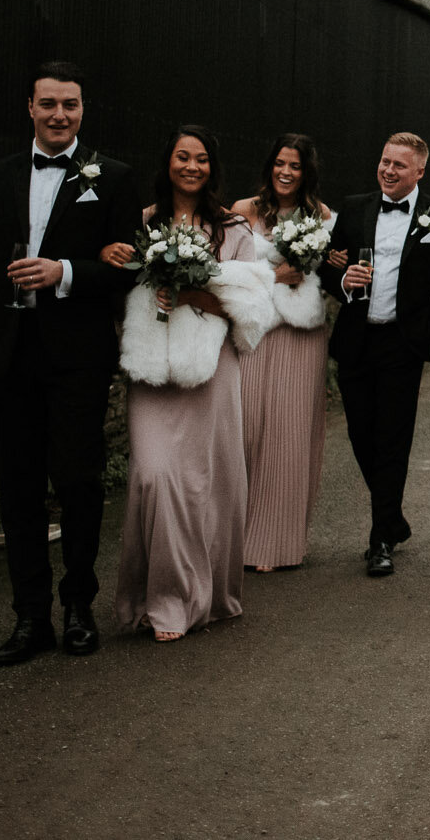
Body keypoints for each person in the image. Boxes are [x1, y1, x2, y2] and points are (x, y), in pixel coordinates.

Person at [0, 62, 141, 665]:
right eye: (49, 104)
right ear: (29, 106)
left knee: (77, 482)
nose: (60, 115)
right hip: (7, 356)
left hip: (78, 357)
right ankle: (30, 618)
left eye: (71, 105)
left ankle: (79, 606)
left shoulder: (110, 177)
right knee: (18, 490)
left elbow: (130, 266)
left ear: (83, 109)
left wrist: (66, 273)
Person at [111, 126, 276, 641]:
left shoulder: (233, 230)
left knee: (206, 481)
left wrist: (194, 295)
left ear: (212, 168)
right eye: (183, 157)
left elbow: (254, 312)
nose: (191, 166)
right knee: (155, 476)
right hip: (152, 369)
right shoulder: (141, 224)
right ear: (167, 164)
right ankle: (154, 594)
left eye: (202, 159)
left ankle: (186, 600)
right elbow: (117, 290)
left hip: (211, 369)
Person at [320, 133, 430, 577]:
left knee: (393, 440)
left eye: (399, 166)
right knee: (362, 436)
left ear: (419, 171)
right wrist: (345, 280)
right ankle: (393, 517)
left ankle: (380, 536)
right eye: (385, 162)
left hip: (402, 344)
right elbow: (329, 265)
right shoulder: (355, 206)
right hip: (356, 339)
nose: (388, 170)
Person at [231, 135, 334, 572]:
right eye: (279, 163)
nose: (285, 172)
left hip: (300, 335)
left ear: (306, 171)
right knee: (246, 430)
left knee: (289, 435)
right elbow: (227, 268)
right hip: (253, 330)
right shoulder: (241, 211)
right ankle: (233, 539)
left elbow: (332, 274)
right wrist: (274, 275)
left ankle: (275, 542)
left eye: (294, 165)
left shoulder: (323, 217)